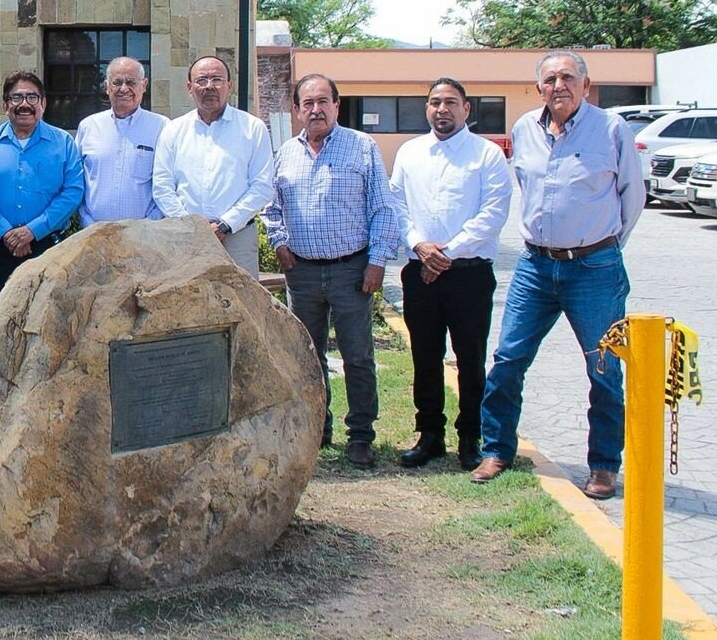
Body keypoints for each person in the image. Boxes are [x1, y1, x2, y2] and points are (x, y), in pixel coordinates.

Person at [471, 51, 644, 500]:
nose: (559, 85)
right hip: (535, 266)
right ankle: (497, 450)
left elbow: (633, 196)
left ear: (585, 85)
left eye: (568, 77)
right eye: (550, 79)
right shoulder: (524, 129)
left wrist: (603, 246)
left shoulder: (611, 129)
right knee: (508, 359)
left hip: (594, 268)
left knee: (603, 369)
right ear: (539, 88)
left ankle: (603, 466)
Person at [262, 73, 402, 469]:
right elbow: (271, 207)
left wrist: (377, 262)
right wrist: (280, 245)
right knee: (308, 356)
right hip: (302, 274)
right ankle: (316, 427)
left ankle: (360, 435)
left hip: (351, 270)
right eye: (307, 103)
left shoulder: (361, 147)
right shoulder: (285, 154)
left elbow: (383, 208)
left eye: (323, 101)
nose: (316, 110)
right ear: (296, 110)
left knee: (358, 355)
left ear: (337, 106)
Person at [388, 78, 512, 472]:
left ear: (466, 109)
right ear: (427, 108)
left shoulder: (487, 154)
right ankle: (430, 434)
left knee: (470, 358)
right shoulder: (410, 152)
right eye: (434, 102)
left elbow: (493, 213)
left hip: (468, 275)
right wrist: (419, 246)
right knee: (425, 356)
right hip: (419, 271)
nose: (442, 109)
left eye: (451, 102)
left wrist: (446, 254)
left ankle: (470, 437)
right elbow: (396, 205)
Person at [0, 71, 85, 312]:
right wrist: (6, 232)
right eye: (16, 97)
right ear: (5, 105)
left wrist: (32, 230)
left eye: (32, 97)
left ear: (43, 103)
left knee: (45, 318)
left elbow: (73, 191)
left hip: (46, 245)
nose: (24, 104)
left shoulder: (63, 142)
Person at [151, 55, 274, 274]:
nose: (209, 86)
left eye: (217, 79)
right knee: (186, 293)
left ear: (229, 86)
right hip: (185, 237)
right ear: (189, 87)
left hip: (237, 236)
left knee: (239, 294)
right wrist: (192, 226)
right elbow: (162, 186)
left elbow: (262, 186)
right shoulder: (172, 131)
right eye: (201, 80)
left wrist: (226, 224)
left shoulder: (252, 128)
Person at [74, 57, 168, 227]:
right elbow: (75, 180)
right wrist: (87, 223)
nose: (124, 88)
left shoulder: (162, 126)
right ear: (107, 86)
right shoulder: (88, 126)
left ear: (144, 85)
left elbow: (168, 182)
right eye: (117, 82)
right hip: (92, 232)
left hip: (146, 233)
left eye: (131, 82)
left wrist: (148, 226)